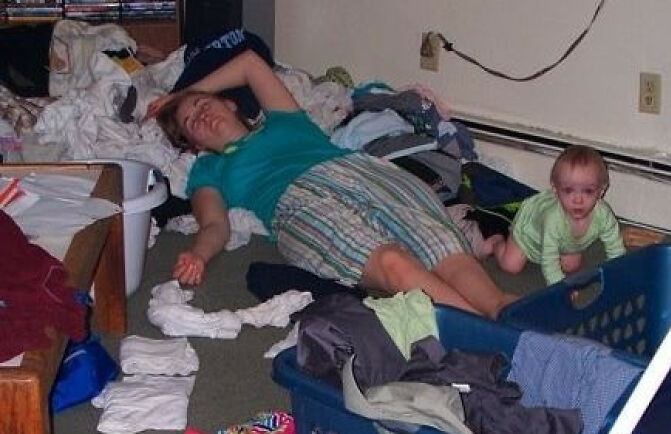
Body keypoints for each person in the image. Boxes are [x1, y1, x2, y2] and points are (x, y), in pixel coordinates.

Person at [149, 49, 515, 318]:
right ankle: (483, 335)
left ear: (228, 104)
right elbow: (215, 224)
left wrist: (180, 95)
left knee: (440, 247)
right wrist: (199, 254)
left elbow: (249, 63)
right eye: (190, 121)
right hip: (295, 205)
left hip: (360, 171)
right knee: (392, 261)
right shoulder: (209, 170)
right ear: (194, 145)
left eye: (201, 104)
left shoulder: (283, 120)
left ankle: (502, 312)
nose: (200, 115)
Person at [480, 145, 626, 285]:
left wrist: (619, 272)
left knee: (572, 266)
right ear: (555, 190)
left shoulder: (603, 215)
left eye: (588, 191)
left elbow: (615, 246)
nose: (578, 200)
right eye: (568, 191)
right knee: (511, 266)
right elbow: (549, 259)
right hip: (529, 235)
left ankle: (565, 250)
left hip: (565, 244)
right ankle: (497, 243)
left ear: (601, 191)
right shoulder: (553, 219)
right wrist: (560, 288)